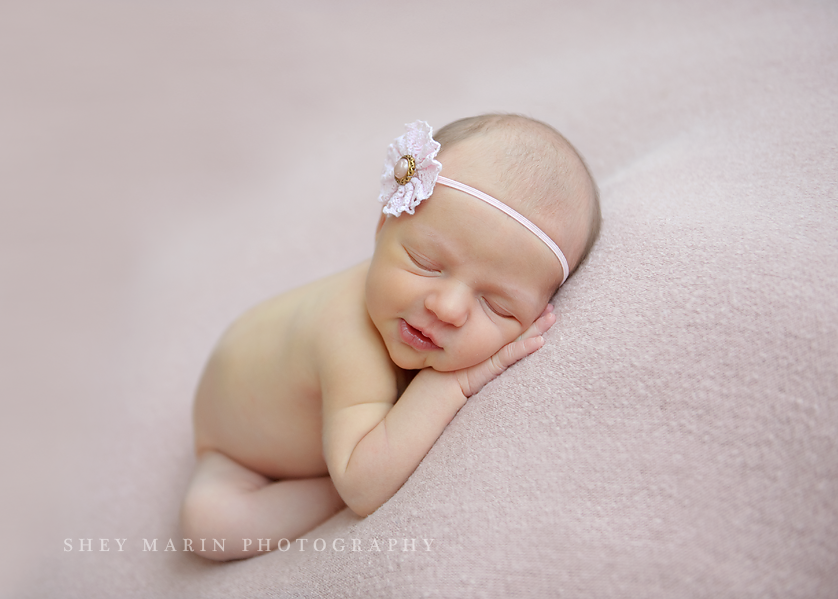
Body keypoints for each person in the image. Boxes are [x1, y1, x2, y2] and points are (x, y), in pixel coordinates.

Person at [180, 114, 601, 560]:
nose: (449, 308)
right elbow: (362, 486)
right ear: (384, 227)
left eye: (497, 305)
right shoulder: (348, 336)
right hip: (237, 450)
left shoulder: (406, 303)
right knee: (210, 527)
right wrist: (450, 384)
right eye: (425, 262)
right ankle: (321, 490)